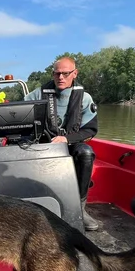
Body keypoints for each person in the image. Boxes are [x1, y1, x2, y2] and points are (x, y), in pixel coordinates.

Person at [25, 56, 99, 231]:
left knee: (86, 153)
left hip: (71, 144)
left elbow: (90, 130)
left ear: (75, 73)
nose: (61, 78)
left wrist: (66, 139)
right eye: (57, 73)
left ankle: (80, 209)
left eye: (66, 74)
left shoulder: (85, 98)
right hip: (44, 143)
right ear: (52, 73)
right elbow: (19, 114)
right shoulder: (37, 94)